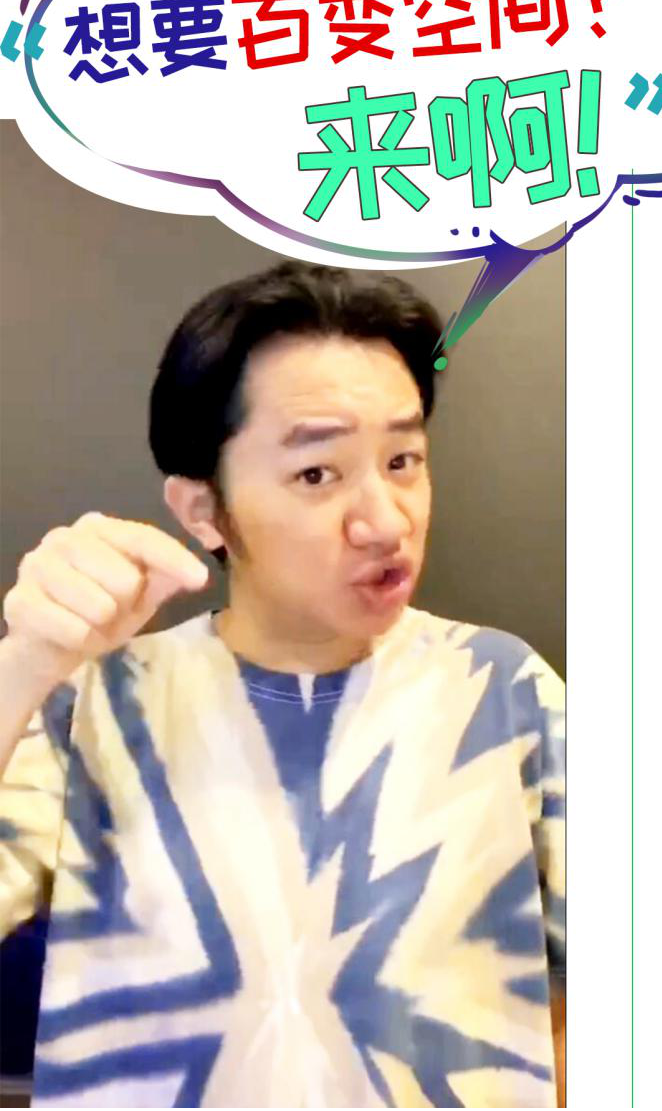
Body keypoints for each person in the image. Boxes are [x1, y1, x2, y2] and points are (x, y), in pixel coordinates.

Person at [0, 261, 565, 1109]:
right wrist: (22, 666)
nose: (386, 520)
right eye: (316, 473)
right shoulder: (97, 706)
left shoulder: (505, 689)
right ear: (202, 509)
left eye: (403, 459)